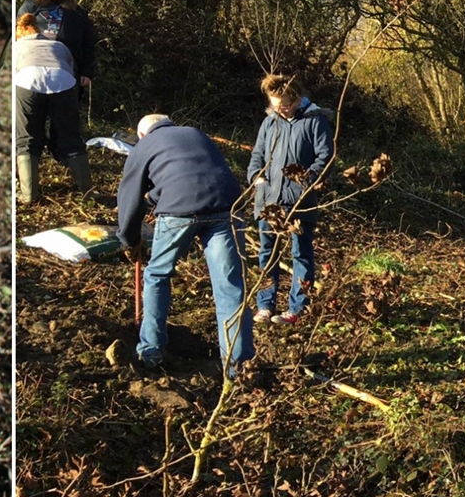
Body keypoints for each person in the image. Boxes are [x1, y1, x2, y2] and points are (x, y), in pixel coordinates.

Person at [116, 113, 255, 377]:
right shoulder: (195, 133)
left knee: (157, 275)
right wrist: (155, 194)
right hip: (227, 206)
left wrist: (129, 239)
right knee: (231, 286)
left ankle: (151, 352)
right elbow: (195, 173)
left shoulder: (143, 146)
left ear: (142, 134)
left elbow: (129, 197)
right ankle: (240, 367)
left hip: (180, 210)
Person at [246, 73, 333, 323]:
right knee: (267, 253)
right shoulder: (269, 123)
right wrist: (256, 177)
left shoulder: (315, 121)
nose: (281, 107)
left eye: (285, 102)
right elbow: (257, 155)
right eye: (276, 102)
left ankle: (298, 308)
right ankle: (264, 305)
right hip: (268, 201)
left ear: (297, 98)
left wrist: (305, 182)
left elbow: (325, 158)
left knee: (301, 254)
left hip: (300, 202)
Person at [16, 0, 96, 189]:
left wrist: (87, 72)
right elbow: (17, 38)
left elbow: (88, 44)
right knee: (31, 130)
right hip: (31, 73)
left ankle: (81, 186)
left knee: (66, 130)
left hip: (66, 73)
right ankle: (31, 184)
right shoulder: (30, 8)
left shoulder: (76, 12)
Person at [14, 11, 80, 203]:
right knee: (72, 137)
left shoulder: (18, 46)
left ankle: (28, 195)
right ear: (40, 32)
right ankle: (87, 191)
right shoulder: (58, 45)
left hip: (27, 81)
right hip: (63, 82)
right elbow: (71, 67)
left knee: (26, 138)